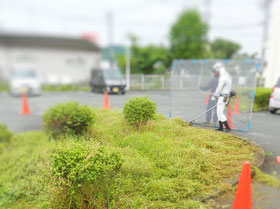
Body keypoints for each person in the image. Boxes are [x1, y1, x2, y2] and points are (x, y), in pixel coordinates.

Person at [211, 62, 232, 132]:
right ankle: (221, 127)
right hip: (224, 96)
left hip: (223, 97)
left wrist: (215, 96)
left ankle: (228, 128)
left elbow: (219, 88)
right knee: (219, 112)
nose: (215, 74)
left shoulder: (223, 77)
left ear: (218, 70)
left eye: (215, 72)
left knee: (219, 113)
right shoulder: (227, 76)